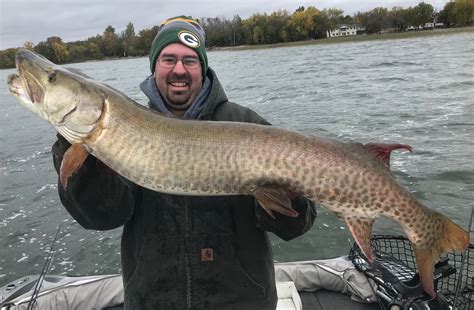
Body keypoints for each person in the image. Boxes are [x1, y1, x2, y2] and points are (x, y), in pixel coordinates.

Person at [52, 16, 316, 310]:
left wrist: (291, 198)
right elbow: (103, 217)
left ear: (203, 68)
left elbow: (296, 227)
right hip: (153, 300)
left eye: (190, 60)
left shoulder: (245, 123)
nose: (179, 69)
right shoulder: (120, 130)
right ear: (154, 66)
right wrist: (75, 146)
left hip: (240, 301)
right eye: (168, 59)